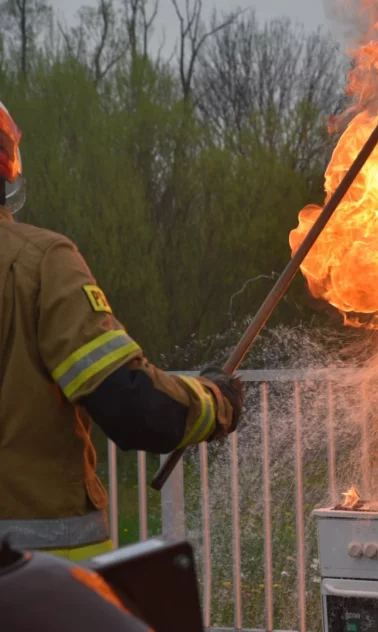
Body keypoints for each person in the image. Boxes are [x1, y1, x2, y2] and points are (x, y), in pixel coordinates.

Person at [0, 99, 244, 561]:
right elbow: (131, 404)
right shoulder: (39, 262)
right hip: (39, 585)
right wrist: (217, 402)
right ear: (7, 166)